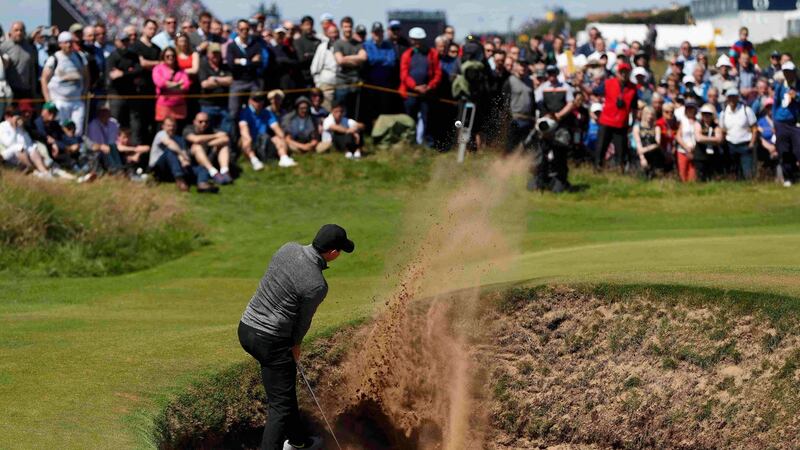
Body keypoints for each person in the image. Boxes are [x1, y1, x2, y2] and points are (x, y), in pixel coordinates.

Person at [238, 224, 354, 450]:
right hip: (270, 341)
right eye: (340, 251)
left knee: (285, 394)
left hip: (245, 328)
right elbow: (302, 321)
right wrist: (296, 344)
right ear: (332, 253)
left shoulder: (287, 248)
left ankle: (299, 442)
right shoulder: (317, 285)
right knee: (279, 407)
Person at [531, 64, 577, 192]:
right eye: (549, 74)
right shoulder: (543, 88)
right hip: (547, 125)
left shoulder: (565, 87)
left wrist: (558, 115)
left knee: (560, 153)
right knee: (542, 154)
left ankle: (561, 180)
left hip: (561, 125)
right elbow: (537, 102)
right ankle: (541, 179)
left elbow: (570, 104)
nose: (551, 77)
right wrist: (546, 115)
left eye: (553, 74)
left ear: (557, 74)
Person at [148, 117, 217, 193]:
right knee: (170, 151)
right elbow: (170, 144)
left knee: (202, 167)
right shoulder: (161, 134)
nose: (171, 128)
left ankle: (202, 183)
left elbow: (185, 153)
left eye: (173, 126)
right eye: (168, 126)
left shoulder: (180, 139)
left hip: (175, 168)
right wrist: (182, 155)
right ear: (163, 126)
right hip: (159, 168)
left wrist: (185, 160)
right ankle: (180, 180)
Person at [399, 27, 441, 146]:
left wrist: (429, 86)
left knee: (427, 118)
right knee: (410, 118)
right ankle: (410, 141)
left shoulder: (432, 53)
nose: (417, 42)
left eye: (419, 39)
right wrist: (415, 87)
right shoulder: (407, 54)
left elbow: (438, 73)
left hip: (427, 93)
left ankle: (427, 142)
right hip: (411, 93)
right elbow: (404, 74)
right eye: (414, 40)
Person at [41, 31, 89, 136]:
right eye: (66, 42)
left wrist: (84, 92)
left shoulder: (80, 57)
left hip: (76, 101)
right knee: (62, 129)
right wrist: (48, 100)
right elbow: (44, 79)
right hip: (59, 101)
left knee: (78, 130)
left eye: (71, 42)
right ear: (60, 44)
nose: (69, 45)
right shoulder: (54, 59)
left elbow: (86, 76)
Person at [595, 62, 638, 171]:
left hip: (621, 123)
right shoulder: (608, 83)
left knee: (621, 150)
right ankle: (597, 167)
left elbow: (634, 108)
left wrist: (632, 124)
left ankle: (620, 169)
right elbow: (595, 92)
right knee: (601, 147)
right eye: (622, 72)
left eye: (626, 72)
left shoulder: (633, 88)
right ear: (617, 73)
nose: (624, 74)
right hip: (606, 121)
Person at [238, 91, 297, 169]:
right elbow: (244, 129)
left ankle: (284, 158)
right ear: (250, 101)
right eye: (256, 100)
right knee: (245, 139)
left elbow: (276, 128)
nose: (259, 102)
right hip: (251, 140)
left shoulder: (267, 113)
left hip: (264, 139)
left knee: (278, 137)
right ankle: (254, 161)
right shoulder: (245, 113)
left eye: (261, 99)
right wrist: (248, 139)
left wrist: (282, 137)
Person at [132, 19, 162, 144]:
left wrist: (152, 64)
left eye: (154, 29)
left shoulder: (156, 49)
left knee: (151, 121)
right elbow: (142, 63)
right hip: (139, 89)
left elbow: (160, 65)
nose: (152, 31)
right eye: (149, 28)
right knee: (138, 123)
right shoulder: (136, 45)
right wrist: (156, 63)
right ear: (144, 29)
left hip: (152, 89)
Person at [183, 111, 233, 185]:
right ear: (194, 122)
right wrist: (215, 136)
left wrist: (207, 144)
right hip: (193, 161)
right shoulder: (188, 129)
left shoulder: (211, 129)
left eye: (206, 122)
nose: (204, 124)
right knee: (197, 146)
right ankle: (213, 173)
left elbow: (225, 138)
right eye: (200, 122)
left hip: (209, 155)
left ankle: (224, 171)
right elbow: (195, 139)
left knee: (224, 146)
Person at [719, 88, 758, 180]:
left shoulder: (746, 110)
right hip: (730, 145)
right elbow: (723, 130)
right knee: (734, 171)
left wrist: (752, 143)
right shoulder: (723, 113)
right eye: (730, 98)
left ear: (737, 98)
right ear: (727, 99)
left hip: (745, 144)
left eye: (734, 97)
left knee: (747, 172)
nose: (732, 100)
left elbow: (754, 128)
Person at [772, 61, 800, 187]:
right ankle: (788, 177)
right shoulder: (780, 86)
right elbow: (775, 104)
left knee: (797, 150)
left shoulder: (798, 85)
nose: (788, 74)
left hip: (795, 123)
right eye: (785, 72)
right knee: (784, 151)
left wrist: (797, 96)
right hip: (781, 122)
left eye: (790, 71)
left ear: (794, 72)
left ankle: (796, 174)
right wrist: (774, 121)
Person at [333, 17, 367, 120]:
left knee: (354, 113)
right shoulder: (338, 43)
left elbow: (364, 57)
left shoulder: (358, 44)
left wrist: (346, 58)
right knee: (341, 111)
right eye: (345, 26)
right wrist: (356, 60)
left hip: (355, 83)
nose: (348, 29)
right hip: (342, 83)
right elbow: (340, 61)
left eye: (349, 26)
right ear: (341, 28)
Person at [0, 109, 51, 177]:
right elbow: (8, 143)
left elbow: (28, 142)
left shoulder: (20, 126)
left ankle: (44, 172)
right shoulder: (2, 126)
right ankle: (32, 170)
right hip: (8, 153)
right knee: (20, 147)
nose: (18, 120)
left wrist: (23, 128)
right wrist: (14, 128)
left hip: (23, 152)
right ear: (7, 117)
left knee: (32, 149)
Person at [198, 43, 233, 132]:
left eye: (217, 53)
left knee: (226, 131)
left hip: (223, 105)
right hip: (208, 105)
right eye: (213, 53)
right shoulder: (203, 66)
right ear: (208, 54)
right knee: (207, 131)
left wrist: (215, 79)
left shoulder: (225, 66)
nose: (215, 55)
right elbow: (204, 84)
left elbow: (230, 81)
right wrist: (223, 81)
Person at [503, 58, 535, 154]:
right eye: (521, 65)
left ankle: (521, 166)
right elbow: (505, 101)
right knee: (511, 145)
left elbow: (533, 100)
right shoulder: (509, 81)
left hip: (527, 119)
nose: (523, 68)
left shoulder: (530, 81)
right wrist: (507, 117)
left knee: (526, 146)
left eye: (525, 65)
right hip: (514, 118)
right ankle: (506, 165)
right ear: (516, 66)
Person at [152, 47, 191, 124]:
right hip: (164, 106)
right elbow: (160, 83)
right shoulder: (158, 69)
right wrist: (177, 85)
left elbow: (186, 85)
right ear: (163, 57)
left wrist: (168, 85)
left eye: (172, 56)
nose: (170, 58)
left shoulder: (181, 70)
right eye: (167, 56)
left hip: (179, 107)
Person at [0, 21, 37, 100]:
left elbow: (32, 70)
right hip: (9, 91)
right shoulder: (3, 47)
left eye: (21, 30)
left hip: (26, 90)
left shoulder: (30, 48)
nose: (19, 33)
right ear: (11, 32)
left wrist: (34, 90)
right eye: (16, 30)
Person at [85, 103, 125, 173]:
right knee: (107, 148)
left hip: (111, 147)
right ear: (99, 113)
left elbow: (113, 140)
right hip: (98, 149)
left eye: (106, 111)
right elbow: (95, 143)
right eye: (102, 112)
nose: (104, 114)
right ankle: (115, 169)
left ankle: (118, 169)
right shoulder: (93, 125)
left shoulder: (113, 123)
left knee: (112, 146)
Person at [309, 24, 339, 110]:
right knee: (326, 109)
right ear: (327, 34)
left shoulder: (342, 45)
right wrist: (318, 83)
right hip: (326, 84)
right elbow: (315, 68)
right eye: (331, 32)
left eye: (336, 32)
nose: (334, 35)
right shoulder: (322, 47)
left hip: (340, 83)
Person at [694, 103, 724, 181]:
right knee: (700, 176)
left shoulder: (716, 126)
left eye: (709, 114)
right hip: (700, 155)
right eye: (704, 114)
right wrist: (713, 139)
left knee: (712, 176)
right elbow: (698, 138)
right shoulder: (698, 124)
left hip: (713, 155)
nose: (706, 116)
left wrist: (704, 138)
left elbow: (719, 139)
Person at [633, 106, 663, 179]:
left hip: (655, 154)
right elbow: (638, 143)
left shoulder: (656, 128)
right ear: (643, 114)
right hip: (641, 155)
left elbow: (657, 144)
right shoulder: (637, 127)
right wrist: (642, 158)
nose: (649, 116)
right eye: (647, 114)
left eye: (652, 114)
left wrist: (646, 149)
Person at [675, 100, 699, 182]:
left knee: (693, 175)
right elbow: (678, 136)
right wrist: (686, 148)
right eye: (688, 108)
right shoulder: (683, 121)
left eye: (692, 108)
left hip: (695, 151)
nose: (690, 110)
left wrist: (693, 149)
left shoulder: (698, 121)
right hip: (682, 150)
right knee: (683, 173)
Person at [293, 16, 320, 88]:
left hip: (317, 78)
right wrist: (315, 55)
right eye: (307, 24)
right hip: (303, 78)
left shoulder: (318, 41)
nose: (309, 27)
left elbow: (321, 59)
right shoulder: (297, 42)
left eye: (311, 24)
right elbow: (301, 59)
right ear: (301, 26)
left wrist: (308, 55)